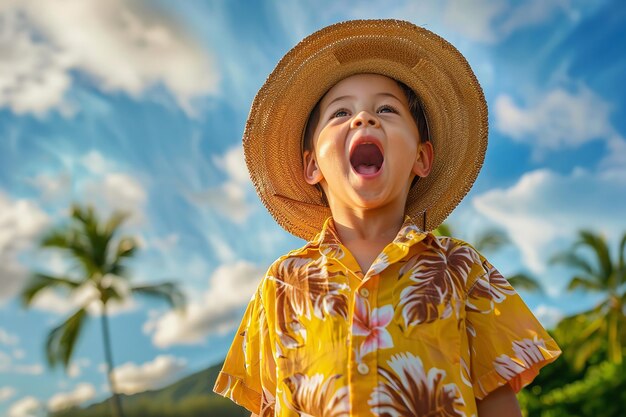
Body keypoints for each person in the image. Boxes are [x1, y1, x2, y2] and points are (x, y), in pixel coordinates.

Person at [213, 19, 561, 417]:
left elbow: (498, 401)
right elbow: (267, 407)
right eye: (341, 112)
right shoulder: (280, 284)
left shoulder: (462, 269)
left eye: (386, 109)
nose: (364, 118)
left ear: (421, 158)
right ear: (312, 166)